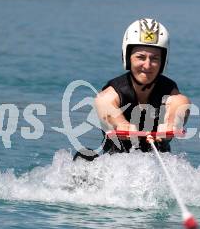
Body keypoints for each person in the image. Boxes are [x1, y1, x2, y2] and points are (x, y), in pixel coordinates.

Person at [74, 18, 190, 161]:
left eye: (154, 59)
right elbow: (104, 104)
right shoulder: (113, 93)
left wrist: (171, 124)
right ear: (128, 58)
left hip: (159, 167)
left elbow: (180, 104)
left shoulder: (171, 92)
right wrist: (122, 124)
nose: (147, 65)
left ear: (163, 61)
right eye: (141, 57)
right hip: (117, 169)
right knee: (83, 155)